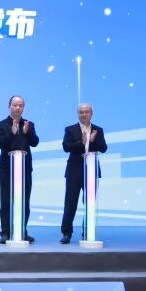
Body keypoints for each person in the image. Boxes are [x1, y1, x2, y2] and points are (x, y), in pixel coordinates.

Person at [59, 103, 108, 244]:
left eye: (87, 112)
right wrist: (82, 142)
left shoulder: (98, 130)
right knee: (70, 203)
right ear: (78, 114)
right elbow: (66, 147)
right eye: (81, 112)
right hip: (74, 171)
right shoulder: (70, 129)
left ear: (91, 113)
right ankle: (66, 233)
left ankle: (87, 231)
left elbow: (103, 148)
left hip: (91, 170)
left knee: (89, 203)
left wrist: (92, 141)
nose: (84, 114)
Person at [0, 95, 39, 244]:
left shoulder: (28, 124)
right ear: (9, 106)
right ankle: (6, 232)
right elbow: (0, 144)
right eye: (15, 105)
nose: (18, 108)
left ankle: (22, 231)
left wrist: (27, 132)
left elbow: (35, 142)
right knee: (6, 201)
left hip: (24, 168)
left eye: (20, 105)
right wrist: (11, 133)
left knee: (24, 201)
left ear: (23, 107)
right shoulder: (1, 125)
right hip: (7, 169)